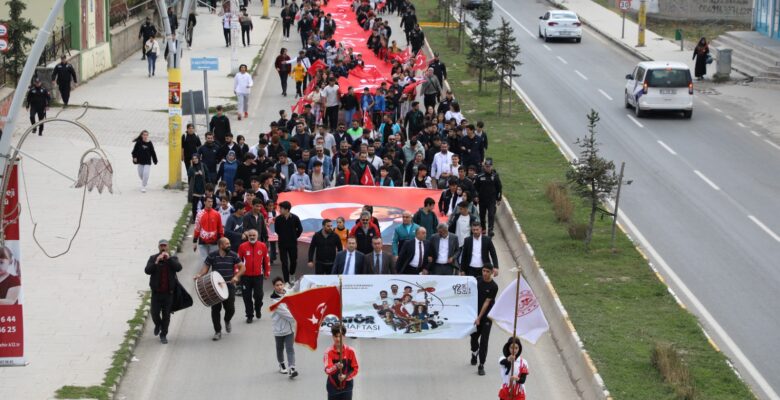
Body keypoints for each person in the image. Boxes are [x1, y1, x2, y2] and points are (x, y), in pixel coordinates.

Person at [194, 238, 245, 341]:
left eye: (229, 243)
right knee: (215, 310)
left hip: (229, 286)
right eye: (227, 244)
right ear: (220, 245)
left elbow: (243, 268)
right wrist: (199, 275)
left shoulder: (233, 255)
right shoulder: (212, 255)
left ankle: (227, 320)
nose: (229, 245)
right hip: (214, 286)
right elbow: (205, 268)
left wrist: (236, 276)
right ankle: (217, 331)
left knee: (230, 309)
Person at [145, 239, 182, 344]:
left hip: (168, 294)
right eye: (161, 246)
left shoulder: (173, 258)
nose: (163, 248)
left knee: (166, 315)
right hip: (156, 293)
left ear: (168, 247)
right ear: (158, 247)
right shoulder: (153, 258)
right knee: (154, 313)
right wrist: (156, 262)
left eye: (165, 246)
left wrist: (169, 259)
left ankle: (163, 334)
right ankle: (158, 324)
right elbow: (147, 270)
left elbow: (179, 268)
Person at [237, 229, 270, 323]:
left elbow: (266, 260)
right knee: (246, 296)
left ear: (257, 236)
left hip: (258, 276)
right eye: (250, 235)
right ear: (248, 236)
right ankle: (249, 315)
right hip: (245, 276)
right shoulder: (242, 246)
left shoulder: (263, 246)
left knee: (259, 295)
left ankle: (258, 308)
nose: (252, 237)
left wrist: (267, 272)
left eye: (253, 235)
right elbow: (237, 262)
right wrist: (237, 274)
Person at [471, 264, 498, 376]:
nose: (485, 273)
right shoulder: (477, 280)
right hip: (474, 315)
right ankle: (474, 353)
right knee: (473, 338)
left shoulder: (494, 286)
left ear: (492, 272)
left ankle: (481, 365)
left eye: (487, 271)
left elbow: (487, 303)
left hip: (486, 317)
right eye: (483, 271)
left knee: (484, 342)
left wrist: (479, 318)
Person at [271, 277, 298, 378]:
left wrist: (301, 280)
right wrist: (300, 318)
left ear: (283, 284)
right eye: (277, 285)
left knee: (290, 348)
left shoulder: (286, 292)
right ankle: (282, 364)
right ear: (274, 287)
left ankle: (292, 368)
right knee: (280, 348)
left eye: (281, 284)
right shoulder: (274, 300)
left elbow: (294, 289)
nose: (279, 287)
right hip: (279, 329)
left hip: (289, 329)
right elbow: (287, 315)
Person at [324, 323, 359, 399]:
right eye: (335, 336)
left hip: (347, 388)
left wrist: (345, 377)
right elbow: (327, 370)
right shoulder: (328, 352)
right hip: (332, 388)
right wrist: (336, 366)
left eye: (340, 336)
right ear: (332, 337)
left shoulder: (351, 351)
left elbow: (355, 369)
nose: (338, 339)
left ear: (344, 336)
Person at [275, 201, 303, 285]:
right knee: (284, 262)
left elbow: (300, 229)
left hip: (292, 243)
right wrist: (283, 236)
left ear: (287, 209)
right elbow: (277, 230)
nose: (280, 210)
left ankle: (292, 274)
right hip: (282, 244)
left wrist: (295, 237)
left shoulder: (295, 218)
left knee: (293, 261)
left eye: (281, 209)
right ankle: (286, 281)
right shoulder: (278, 219)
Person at [475, 158, 502, 237]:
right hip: (482, 199)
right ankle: (483, 228)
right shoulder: (479, 176)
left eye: (489, 166)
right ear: (484, 166)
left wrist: (499, 199)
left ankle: (490, 230)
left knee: (491, 214)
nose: (488, 168)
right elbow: (475, 188)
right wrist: (476, 196)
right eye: (486, 166)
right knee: (482, 215)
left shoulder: (495, 176)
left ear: (492, 166)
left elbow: (499, 188)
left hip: (491, 199)